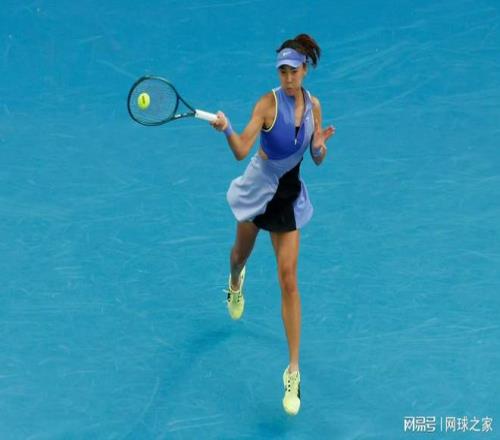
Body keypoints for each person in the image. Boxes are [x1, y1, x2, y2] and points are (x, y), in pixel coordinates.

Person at [211, 34, 335, 416]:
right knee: (239, 256)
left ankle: (293, 371)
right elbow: (240, 150)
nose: (288, 77)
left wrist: (319, 148)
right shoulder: (268, 104)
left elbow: (316, 157)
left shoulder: (314, 106)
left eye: (293, 70)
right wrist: (227, 128)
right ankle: (234, 283)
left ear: (304, 70)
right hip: (258, 189)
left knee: (288, 279)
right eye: (282, 71)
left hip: (288, 196)